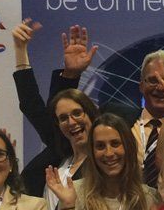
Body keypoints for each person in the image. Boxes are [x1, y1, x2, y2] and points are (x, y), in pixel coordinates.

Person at [11, 20, 100, 196]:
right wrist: (20, 50)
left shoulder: (105, 161)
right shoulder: (59, 149)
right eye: (63, 119)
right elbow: (31, 104)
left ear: (91, 114)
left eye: (77, 114)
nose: (72, 122)